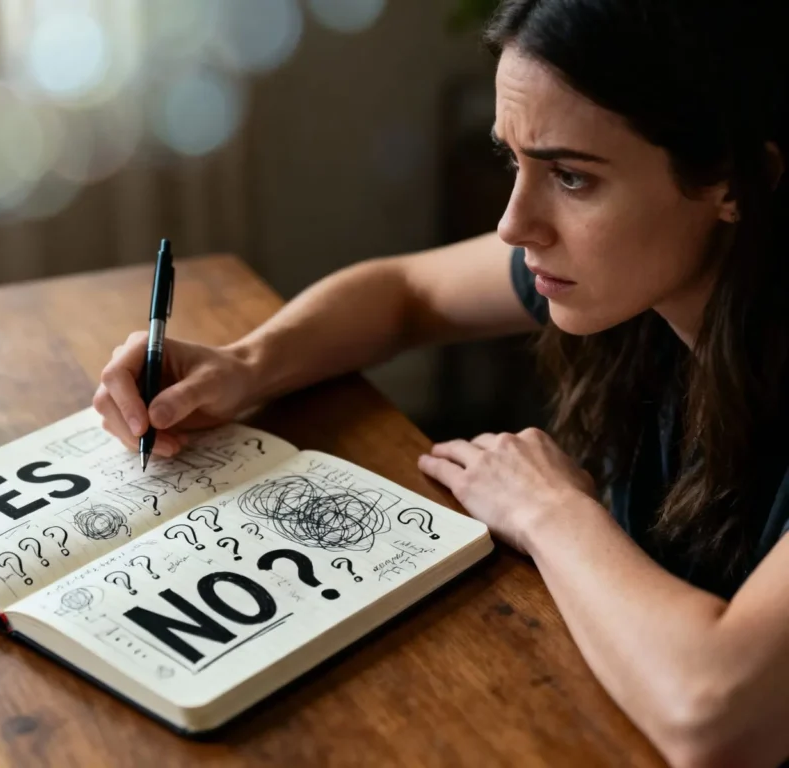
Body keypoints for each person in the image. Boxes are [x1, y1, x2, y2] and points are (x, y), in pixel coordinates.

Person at [93, 1, 789, 765]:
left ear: (733, 181)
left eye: (570, 176)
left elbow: (715, 714)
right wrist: (248, 364)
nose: (514, 224)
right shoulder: (645, 276)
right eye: (513, 163)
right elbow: (403, 295)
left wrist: (551, 509)